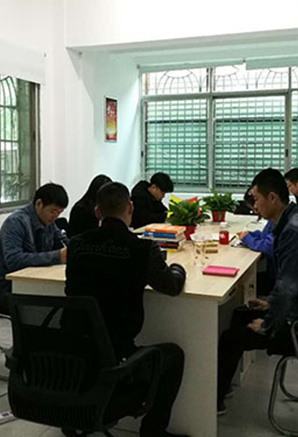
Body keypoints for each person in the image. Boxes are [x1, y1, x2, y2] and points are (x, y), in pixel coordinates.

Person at [66, 181, 188, 437]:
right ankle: (153, 431)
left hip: (73, 359)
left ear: (97, 212)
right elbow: (171, 286)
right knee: (174, 355)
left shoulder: (75, 245)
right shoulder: (142, 249)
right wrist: (178, 268)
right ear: (130, 208)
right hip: (118, 359)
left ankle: (74, 420)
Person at [217, 169, 298, 415]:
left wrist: (268, 323)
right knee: (239, 314)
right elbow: (289, 286)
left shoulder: (293, 231)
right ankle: (222, 387)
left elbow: (287, 287)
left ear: (272, 198)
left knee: (230, 338)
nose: (254, 205)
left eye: (257, 198)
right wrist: (271, 303)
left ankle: (214, 400)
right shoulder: (290, 221)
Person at [0, 183, 69, 311]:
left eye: (59, 212)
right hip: (6, 286)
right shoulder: (16, 222)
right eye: (53, 211)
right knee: (59, 302)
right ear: (39, 204)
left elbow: (62, 244)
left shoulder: (49, 223)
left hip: (33, 279)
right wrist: (57, 256)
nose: (55, 217)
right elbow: (13, 261)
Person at [237, 188, 275, 295]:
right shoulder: (274, 219)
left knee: (241, 282)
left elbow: (267, 247)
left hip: (274, 278)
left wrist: (247, 238)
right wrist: (250, 234)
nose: (255, 210)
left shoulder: (278, 221)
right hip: (274, 272)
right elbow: (266, 235)